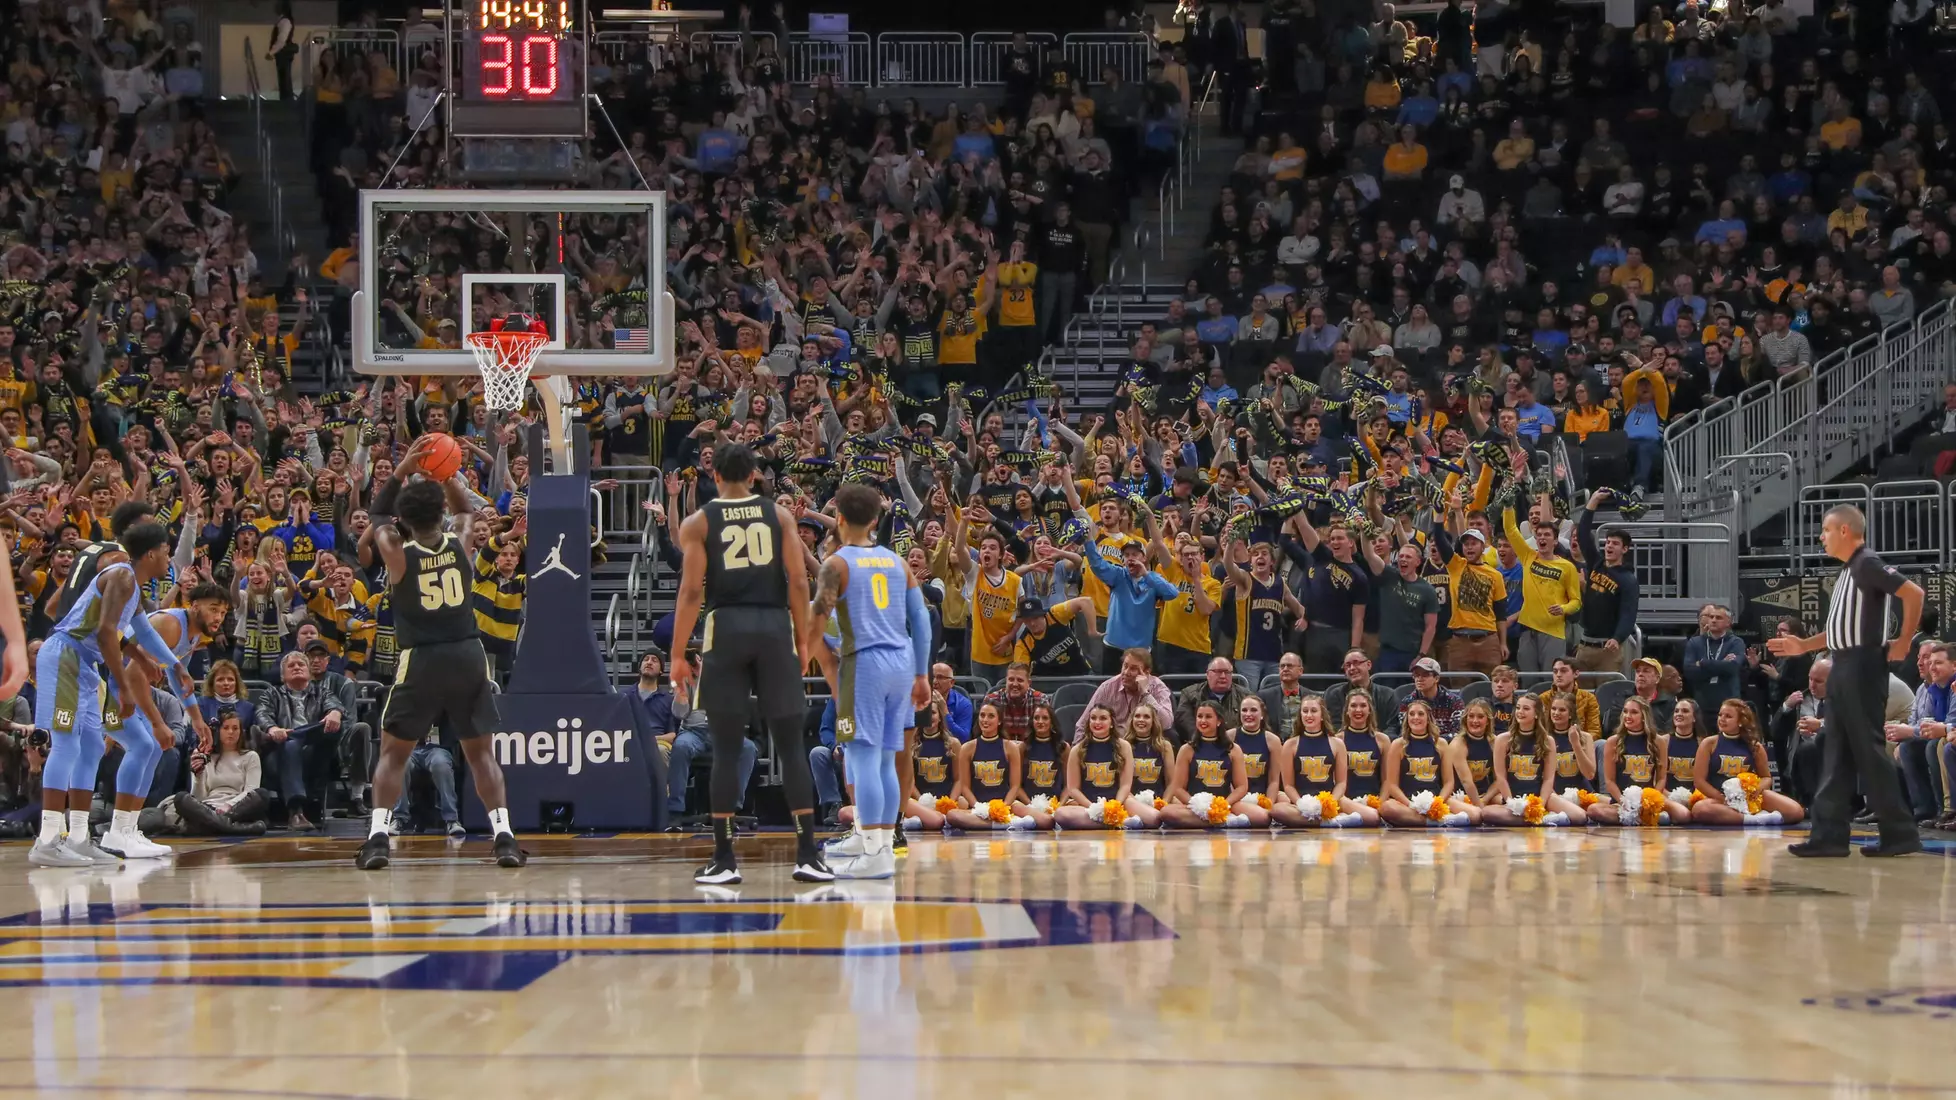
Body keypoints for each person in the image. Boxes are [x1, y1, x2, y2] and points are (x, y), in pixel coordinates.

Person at [356, 435, 526, 872]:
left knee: (394, 753)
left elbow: (376, 513)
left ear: (405, 522)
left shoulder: (397, 552)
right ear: (440, 514)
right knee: (480, 755)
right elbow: (468, 510)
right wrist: (445, 474)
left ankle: (377, 838)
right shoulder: (460, 542)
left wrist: (402, 469)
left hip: (422, 659)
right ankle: (504, 837)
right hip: (469, 655)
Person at [671, 442, 828, 884]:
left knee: (724, 746)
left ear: (715, 477)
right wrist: (802, 637)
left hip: (726, 627)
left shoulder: (699, 521)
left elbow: (691, 592)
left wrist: (678, 653)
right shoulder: (779, 516)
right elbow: (798, 580)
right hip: (775, 625)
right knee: (791, 745)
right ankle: (807, 854)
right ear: (755, 475)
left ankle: (723, 859)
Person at [1769, 504, 1924, 857]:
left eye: (1825, 530)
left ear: (1844, 531)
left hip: (1862, 665)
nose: (1821, 537)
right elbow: (1839, 631)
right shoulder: (1848, 570)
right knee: (1835, 751)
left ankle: (1899, 832)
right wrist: (1803, 645)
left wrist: (1902, 643)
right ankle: (1830, 835)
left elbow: (1914, 593)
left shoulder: (1867, 562)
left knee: (1868, 751)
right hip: (1842, 663)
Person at [29, 521, 174, 866]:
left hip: (84, 663)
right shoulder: (122, 575)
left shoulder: (133, 587)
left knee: (92, 745)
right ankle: (48, 839)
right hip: (66, 654)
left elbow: (117, 633)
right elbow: (107, 633)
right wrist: (124, 688)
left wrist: (149, 659)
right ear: (151, 552)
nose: (169, 557)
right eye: (167, 550)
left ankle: (78, 837)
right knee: (67, 743)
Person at [809, 483, 932, 879]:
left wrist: (801, 655)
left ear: (839, 518)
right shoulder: (898, 562)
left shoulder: (836, 564)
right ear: (876, 521)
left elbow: (817, 618)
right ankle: (871, 838)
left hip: (864, 663)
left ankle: (876, 852)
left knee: (862, 758)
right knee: (884, 760)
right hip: (901, 660)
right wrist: (921, 672)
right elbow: (924, 621)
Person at [1688, 699, 1806, 826]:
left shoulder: (1755, 746)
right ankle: (1753, 819)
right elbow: (1699, 781)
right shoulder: (1709, 743)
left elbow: (1766, 777)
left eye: (1728, 716)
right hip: (1718, 798)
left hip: (1749, 797)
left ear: (1740, 722)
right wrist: (1722, 799)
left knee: (1796, 811)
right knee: (1700, 809)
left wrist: (1757, 790)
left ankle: (1748, 814)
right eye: (1720, 715)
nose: (1722, 719)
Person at [1075, 648, 1174, 740]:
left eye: (1133, 669)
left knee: (1172, 736)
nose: (1126, 672)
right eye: (1125, 666)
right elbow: (1083, 724)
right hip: (1116, 745)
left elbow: (1166, 723)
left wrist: (1145, 693)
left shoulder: (1158, 687)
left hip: (1147, 743)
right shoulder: (1108, 687)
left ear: (1146, 672)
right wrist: (1076, 754)